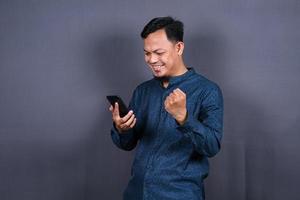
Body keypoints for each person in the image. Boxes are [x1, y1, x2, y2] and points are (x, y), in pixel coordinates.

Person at [109, 16, 223, 200]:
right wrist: (122, 129)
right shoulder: (143, 91)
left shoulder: (207, 91)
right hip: (136, 194)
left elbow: (212, 146)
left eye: (158, 52)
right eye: (146, 53)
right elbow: (127, 144)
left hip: (180, 195)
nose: (152, 59)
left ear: (179, 47)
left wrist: (184, 118)